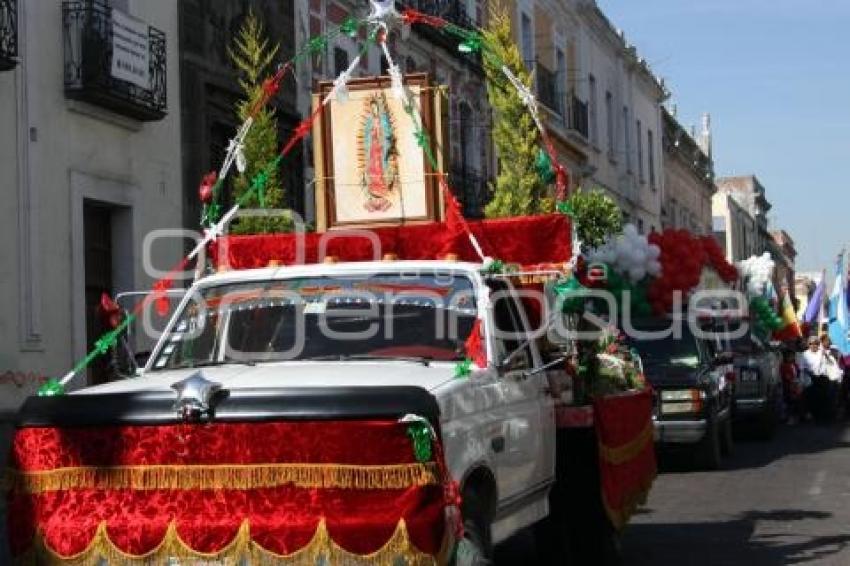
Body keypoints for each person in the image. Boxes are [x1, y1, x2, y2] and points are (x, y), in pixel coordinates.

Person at [780, 348, 806, 424]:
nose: (791, 358)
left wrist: (798, 380)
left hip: (796, 385)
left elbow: (798, 373)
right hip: (789, 386)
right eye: (789, 356)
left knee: (798, 401)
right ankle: (789, 417)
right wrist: (792, 380)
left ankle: (798, 416)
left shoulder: (795, 365)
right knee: (790, 402)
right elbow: (786, 376)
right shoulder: (784, 365)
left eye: (792, 356)